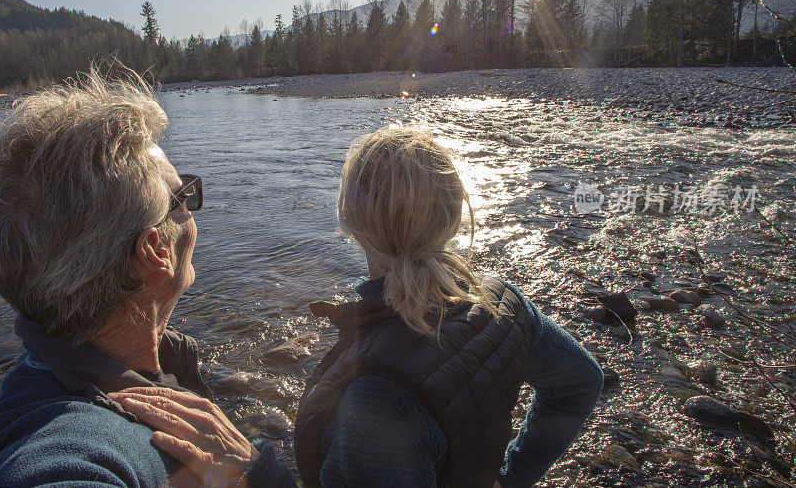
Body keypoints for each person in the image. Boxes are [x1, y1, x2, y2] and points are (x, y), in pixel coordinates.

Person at [115, 125, 603, 487]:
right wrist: (514, 475)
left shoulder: (374, 398)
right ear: (453, 214)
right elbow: (582, 382)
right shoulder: (506, 301)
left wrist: (253, 471)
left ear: (350, 222)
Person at [0, 70, 295, 487]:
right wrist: (256, 476)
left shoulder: (33, 380)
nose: (191, 210)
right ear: (156, 250)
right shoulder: (78, 451)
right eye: (182, 198)